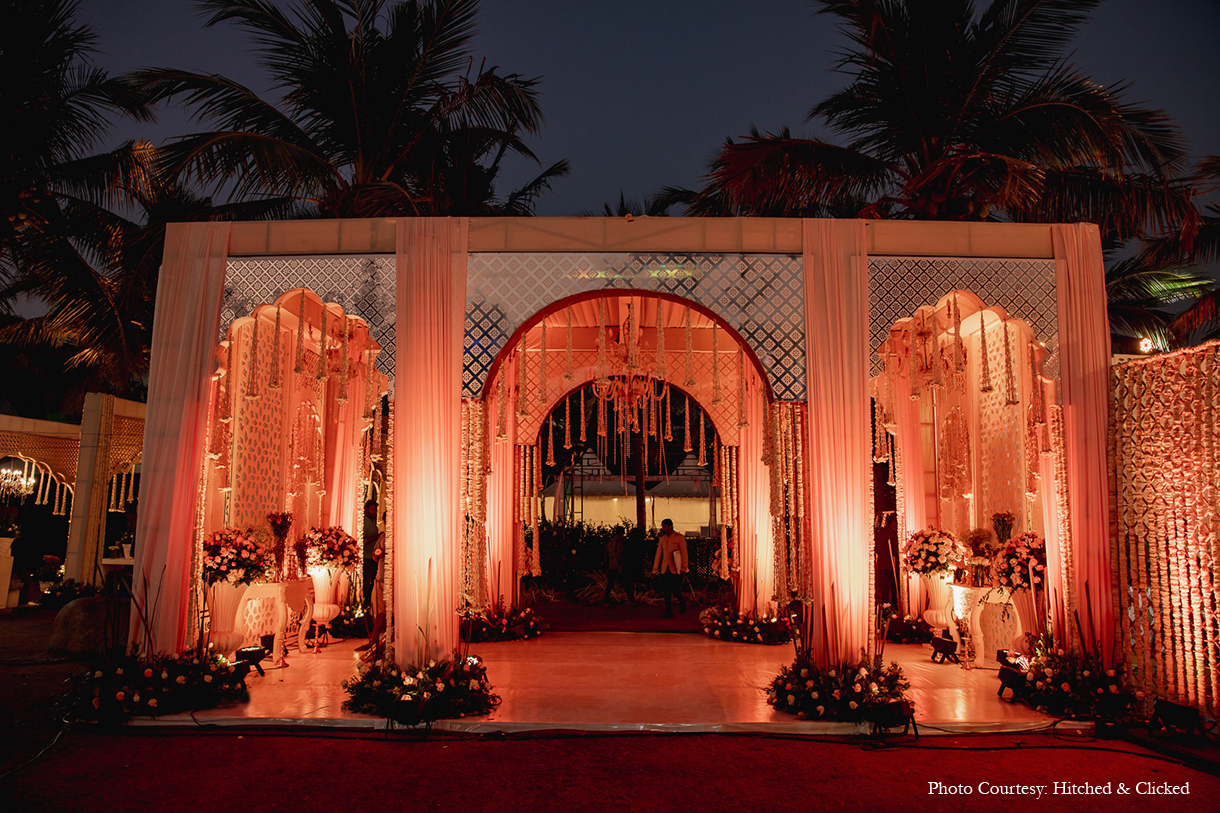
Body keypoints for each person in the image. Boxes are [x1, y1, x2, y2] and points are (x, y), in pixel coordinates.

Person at [651, 518, 688, 618]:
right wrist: (655, 569)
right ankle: (668, 611)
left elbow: (684, 553)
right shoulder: (662, 539)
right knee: (666, 591)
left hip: (675, 568)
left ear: (669, 526)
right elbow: (658, 554)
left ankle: (681, 602)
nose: (662, 528)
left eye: (664, 526)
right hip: (664, 568)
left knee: (675, 589)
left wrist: (684, 567)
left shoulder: (679, 538)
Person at [361, 499, 383, 610]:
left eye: (375, 510)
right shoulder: (363, 521)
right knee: (367, 579)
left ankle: (369, 600)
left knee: (372, 578)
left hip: (373, 556)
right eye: (372, 510)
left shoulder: (371, 521)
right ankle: (365, 601)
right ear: (366, 509)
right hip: (367, 556)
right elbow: (362, 540)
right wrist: (377, 536)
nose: (374, 512)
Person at [602, 529, 626, 607]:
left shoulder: (610, 541)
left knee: (610, 583)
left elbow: (606, 554)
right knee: (625, 581)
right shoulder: (619, 541)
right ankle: (632, 599)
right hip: (616, 565)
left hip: (610, 565)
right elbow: (619, 554)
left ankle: (606, 600)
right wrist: (620, 565)